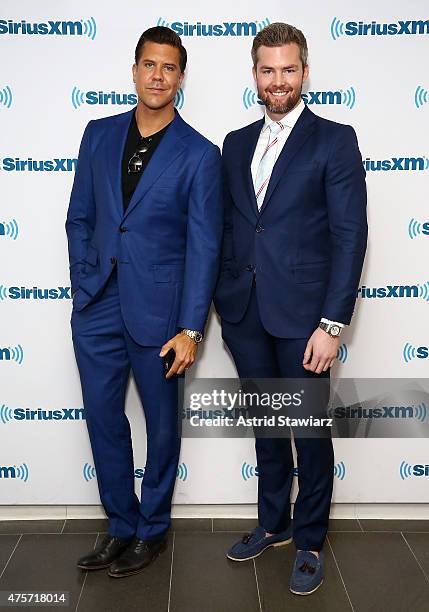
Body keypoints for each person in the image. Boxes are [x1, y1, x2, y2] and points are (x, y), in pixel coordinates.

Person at [214, 22, 367, 595]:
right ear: (254, 73)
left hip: (306, 319)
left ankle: (308, 540)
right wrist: (225, 302)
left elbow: (351, 236)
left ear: (305, 71)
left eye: (289, 69)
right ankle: (273, 522)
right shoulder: (233, 143)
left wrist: (331, 324)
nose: (278, 81)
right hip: (245, 313)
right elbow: (233, 226)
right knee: (267, 430)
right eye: (267, 69)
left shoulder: (335, 139)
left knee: (306, 431)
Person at [66, 26, 222, 578]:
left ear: (181, 77)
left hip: (161, 315)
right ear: (134, 71)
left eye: (169, 68)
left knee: (161, 426)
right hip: (97, 306)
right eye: (149, 65)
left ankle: (152, 529)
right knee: (104, 420)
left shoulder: (201, 154)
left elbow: (205, 247)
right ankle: (120, 524)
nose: (158, 76)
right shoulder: (98, 134)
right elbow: (80, 215)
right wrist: (83, 281)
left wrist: (191, 328)